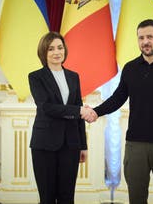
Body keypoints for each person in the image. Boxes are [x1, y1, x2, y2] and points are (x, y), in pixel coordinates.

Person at [82, 19, 153, 204]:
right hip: (135, 144)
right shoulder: (130, 68)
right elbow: (118, 98)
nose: (145, 41)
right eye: (141, 38)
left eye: (150, 37)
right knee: (136, 197)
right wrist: (95, 112)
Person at [28, 31, 93, 204]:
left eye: (60, 47)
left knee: (67, 197)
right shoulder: (36, 77)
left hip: (70, 145)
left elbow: (78, 109)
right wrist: (79, 110)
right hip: (44, 145)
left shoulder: (73, 76)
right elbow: (46, 107)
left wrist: (83, 145)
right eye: (51, 49)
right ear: (44, 52)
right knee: (47, 198)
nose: (57, 52)